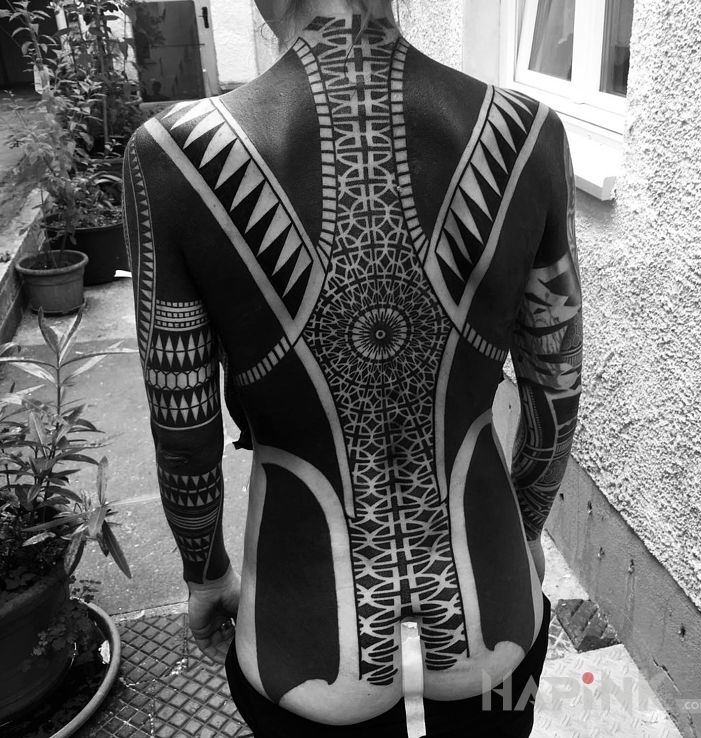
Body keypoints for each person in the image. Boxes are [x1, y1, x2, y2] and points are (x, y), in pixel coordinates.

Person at [122, 0, 583, 735]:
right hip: (493, 620)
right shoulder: (530, 135)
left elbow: (184, 430)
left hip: (300, 641)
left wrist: (205, 572)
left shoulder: (171, 155)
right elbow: (555, 385)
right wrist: (525, 528)